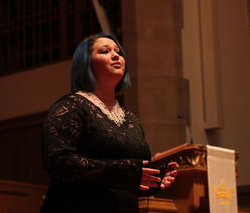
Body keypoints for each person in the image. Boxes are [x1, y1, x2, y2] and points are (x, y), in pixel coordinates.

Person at [40, 32, 177, 213]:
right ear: (86, 63)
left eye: (118, 52)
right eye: (105, 51)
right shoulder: (71, 106)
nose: (115, 55)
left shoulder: (131, 119)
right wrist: (126, 172)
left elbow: (126, 177)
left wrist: (153, 180)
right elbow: (58, 161)